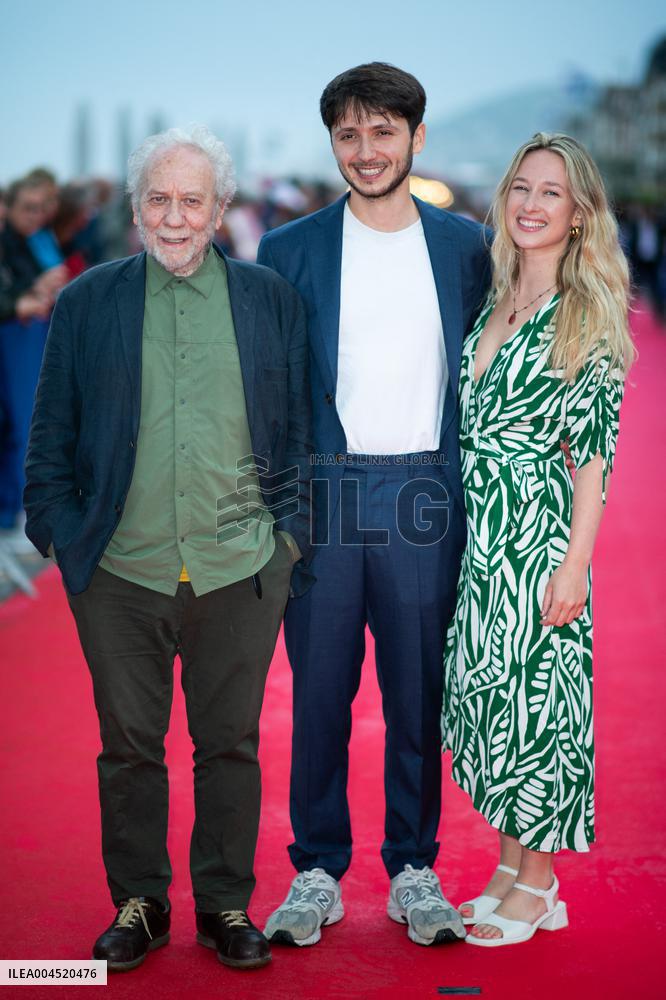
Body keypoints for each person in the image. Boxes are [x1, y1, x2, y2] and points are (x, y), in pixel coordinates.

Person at [24, 125, 312, 972]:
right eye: (159, 199)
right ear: (136, 207)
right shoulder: (90, 302)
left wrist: (287, 542)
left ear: (221, 210)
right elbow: (50, 434)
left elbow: (301, 431)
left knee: (230, 746)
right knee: (129, 749)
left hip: (241, 568)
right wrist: (62, 537)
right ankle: (141, 903)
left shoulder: (269, 299)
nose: (175, 217)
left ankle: (224, 905)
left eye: (193, 200)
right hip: (120, 572)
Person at [257, 62, 490, 947]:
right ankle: (316, 869)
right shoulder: (290, 249)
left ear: (415, 138)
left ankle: (413, 866)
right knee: (319, 693)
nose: (366, 150)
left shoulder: (466, 247)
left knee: (416, 695)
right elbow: (272, 388)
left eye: (383, 132)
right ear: (333, 143)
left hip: (426, 489)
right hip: (325, 492)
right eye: (348, 134)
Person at [442, 132, 633, 947]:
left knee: (540, 708)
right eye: (522, 187)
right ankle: (509, 868)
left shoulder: (585, 312)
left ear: (579, 213)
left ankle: (542, 885)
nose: (531, 203)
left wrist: (574, 566)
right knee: (494, 700)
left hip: (535, 536)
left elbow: (592, 455)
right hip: (477, 532)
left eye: (551, 192)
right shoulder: (495, 295)